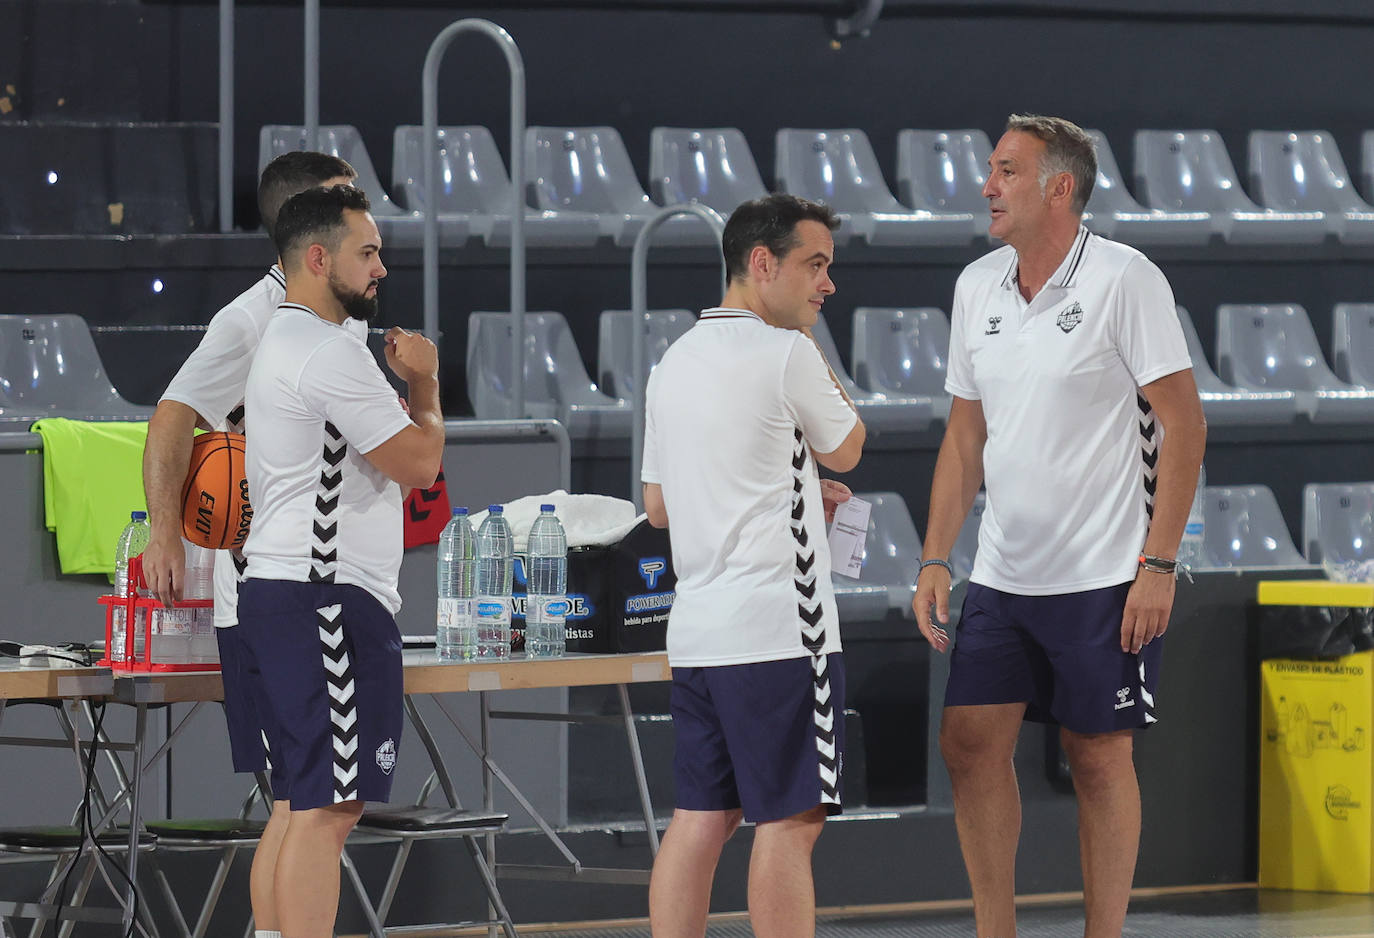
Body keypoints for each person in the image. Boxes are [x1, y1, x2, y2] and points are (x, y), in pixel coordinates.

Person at [912, 114, 1206, 938]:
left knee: (1098, 757)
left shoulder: (1126, 278)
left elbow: (1184, 425)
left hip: (1106, 572)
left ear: (1059, 187)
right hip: (1003, 574)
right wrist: (937, 555)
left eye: (1005, 171)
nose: (987, 186)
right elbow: (965, 436)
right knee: (967, 745)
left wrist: (1159, 563)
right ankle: (994, 931)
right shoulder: (977, 287)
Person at [140, 151, 356, 938]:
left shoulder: (337, 316)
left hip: (313, 590)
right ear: (312, 220)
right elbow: (172, 416)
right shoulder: (249, 319)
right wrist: (167, 533)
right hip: (270, 592)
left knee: (304, 802)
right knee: (309, 804)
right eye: (349, 196)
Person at [641, 193, 866, 938]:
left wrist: (795, 485)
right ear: (761, 263)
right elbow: (850, 445)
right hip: (780, 632)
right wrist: (808, 356)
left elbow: (659, 506)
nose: (826, 285)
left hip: (700, 635)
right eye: (815, 265)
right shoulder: (787, 352)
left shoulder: (672, 361)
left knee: (701, 820)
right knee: (791, 823)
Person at [237, 183, 443, 938]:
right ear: (318, 258)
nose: (381, 268)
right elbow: (420, 464)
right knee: (329, 809)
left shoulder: (285, 343)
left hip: (282, 592)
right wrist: (424, 383)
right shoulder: (330, 352)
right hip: (324, 597)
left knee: (299, 801)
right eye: (368, 252)